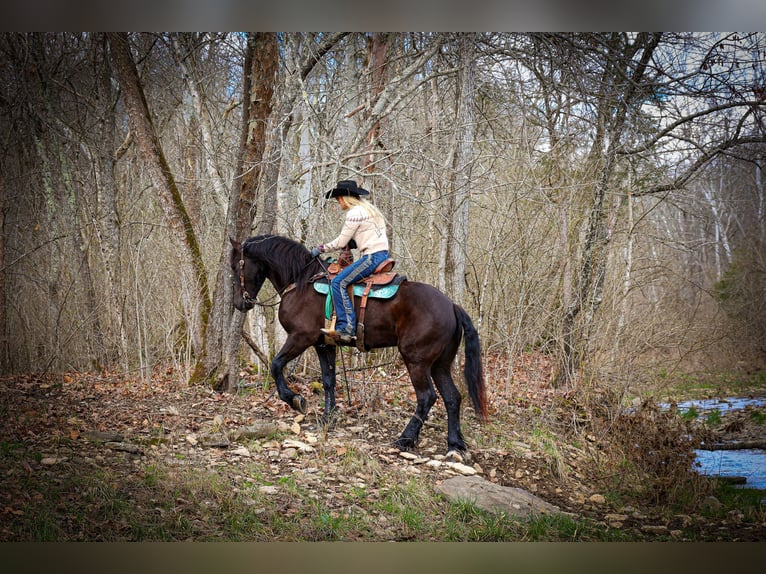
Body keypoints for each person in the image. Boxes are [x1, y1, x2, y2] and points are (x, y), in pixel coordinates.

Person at [311, 180, 390, 344]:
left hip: (372, 257)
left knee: (338, 282)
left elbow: (340, 242)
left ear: (345, 198)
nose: (338, 202)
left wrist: (320, 248)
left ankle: (346, 327)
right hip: (381, 254)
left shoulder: (354, 213)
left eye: (338, 198)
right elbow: (366, 236)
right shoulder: (368, 211)